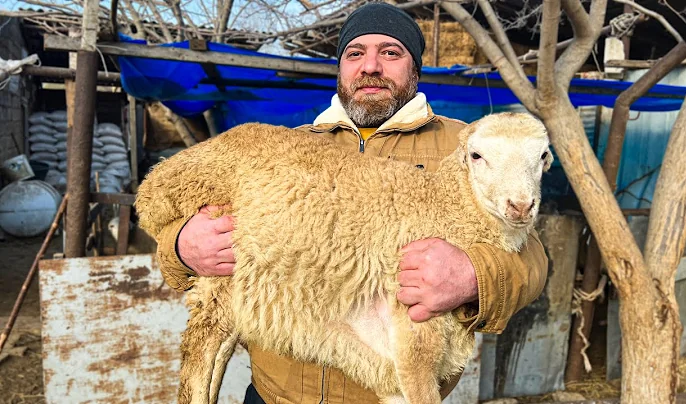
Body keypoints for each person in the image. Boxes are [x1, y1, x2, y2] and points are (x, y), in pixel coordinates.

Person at [154, 3, 549, 403]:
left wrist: (472, 275)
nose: (370, 66)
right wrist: (182, 246)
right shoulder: (289, 148)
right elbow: (175, 234)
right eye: (355, 53)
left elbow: (532, 260)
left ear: (415, 68)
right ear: (341, 67)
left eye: (391, 53)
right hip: (277, 395)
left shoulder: (466, 145)